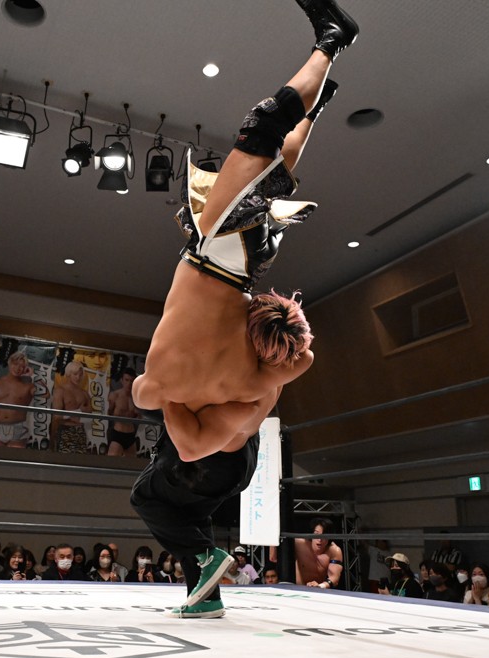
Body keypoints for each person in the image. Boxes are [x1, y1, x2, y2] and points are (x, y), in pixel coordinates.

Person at [130, 0, 358, 454]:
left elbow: (305, 359)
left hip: (248, 267)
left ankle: (313, 107)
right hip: (214, 252)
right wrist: (176, 404)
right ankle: (333, 40)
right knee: (262, 130)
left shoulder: (248, 383)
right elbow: (143, 396)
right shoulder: (159, 386)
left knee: (276, 171)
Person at [0, 351, 36, 448]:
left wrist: (32, 376)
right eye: (15, 364)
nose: (18, 368)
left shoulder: (28, 386)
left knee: (14, 456)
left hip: (18, 427)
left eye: (22, 366)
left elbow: (45, 394)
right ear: (9, 363)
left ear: (25, 369)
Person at [52, 361, 92, 453]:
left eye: (80, 375)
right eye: (75, 374)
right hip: (65, 430)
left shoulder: (84, 394)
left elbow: (90, 415)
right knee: (64, 459)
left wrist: (74, 416)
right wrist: (79, 411)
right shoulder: (60, 391)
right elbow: (56, 416)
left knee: (80, 459)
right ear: (68, 374)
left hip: (81, 432)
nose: (78, 377)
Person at [295, 518, 343, 588]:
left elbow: (334, 577)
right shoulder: (298, 544)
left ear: (329, 537)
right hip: (296, 589)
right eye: (317, 534)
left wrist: (320, 586)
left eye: (324, 536)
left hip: (319, 590)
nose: (320, 539)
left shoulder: (334, 551)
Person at [107, 368, 140, 456]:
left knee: (131, 463)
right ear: (122, 380)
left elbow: (140, 417)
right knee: (111, 461)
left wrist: (137, 414)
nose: (129, 383)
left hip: (131, 434)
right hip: (118, 434)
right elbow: (108, 413)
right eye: (126, 380)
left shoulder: (136, 398)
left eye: (131, 381)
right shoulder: (115, 395)